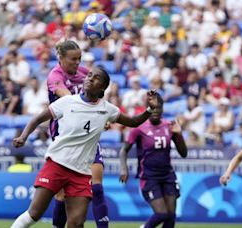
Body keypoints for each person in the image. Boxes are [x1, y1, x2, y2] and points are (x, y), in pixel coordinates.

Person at [11, 66, 161, 228]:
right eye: (89, 75)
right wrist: (23, 136)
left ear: (102, 87)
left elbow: (133, 122)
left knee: (76, 223)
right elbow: (37, 119)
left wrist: (149, 109)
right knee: (34, 214)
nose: (90, 78)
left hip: (81, 173)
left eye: (96, 78)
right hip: (56, 164)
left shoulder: (107, 109)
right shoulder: (68, 102)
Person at [47, 40, 109, 228]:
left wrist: (103, 115)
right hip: (64, 136)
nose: (77, 63)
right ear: (61, 58)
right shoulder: (54, 76)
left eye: (79, 59)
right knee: (61, 194)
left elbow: (99, 96)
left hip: (87, 132)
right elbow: (69, 100)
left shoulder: (84, 74)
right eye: (73, 59)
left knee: (96, 184)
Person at [119, 96, 188, 228]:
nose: (156, 111)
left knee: (171, 216)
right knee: (162, 214)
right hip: (149, 176)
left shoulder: (169, 126)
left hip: (168, 175)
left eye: (159, 108)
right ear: (148, 108)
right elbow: (124, 150)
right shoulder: (138, 128)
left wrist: (179, 135)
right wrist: (124, 168)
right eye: (153, 108)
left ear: (162, 109)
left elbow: (183, 153)